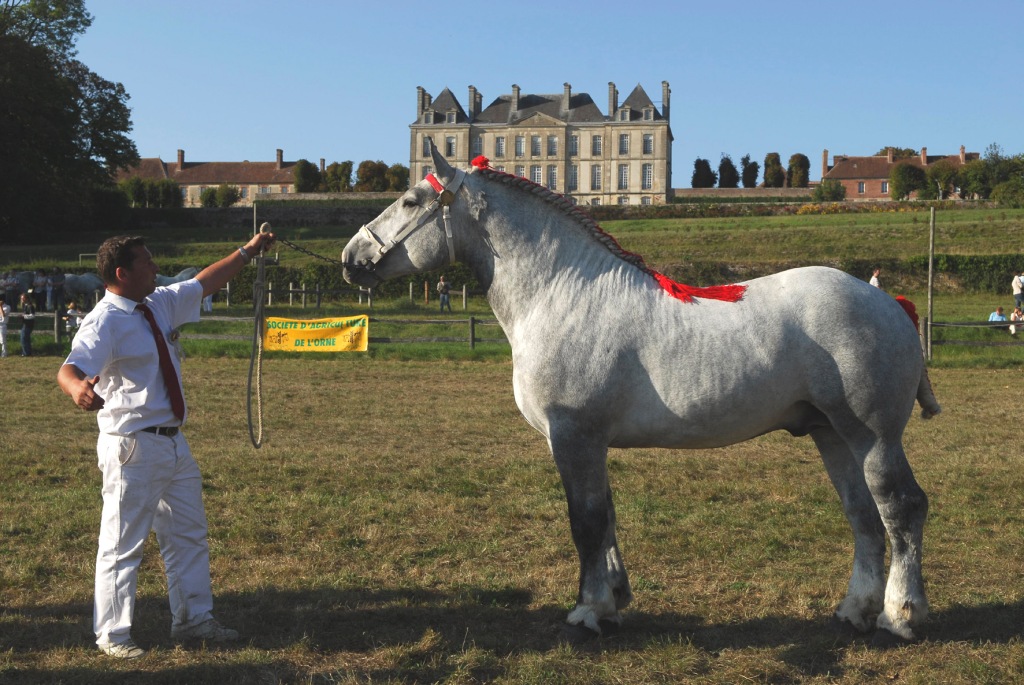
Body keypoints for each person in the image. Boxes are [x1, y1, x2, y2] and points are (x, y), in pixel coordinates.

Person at [57, 231, 275, 659]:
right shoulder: (104, 321)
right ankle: (113, 636)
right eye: (148, 263)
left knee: (188, 535)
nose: (156, 268)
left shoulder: (157, 303)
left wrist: (248, 252)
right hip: (132, 446)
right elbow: (70, 367)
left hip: (173, 443)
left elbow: (205, 282)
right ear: (122, 273)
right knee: (122, 545)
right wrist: (77, 389)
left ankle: (194, 619)